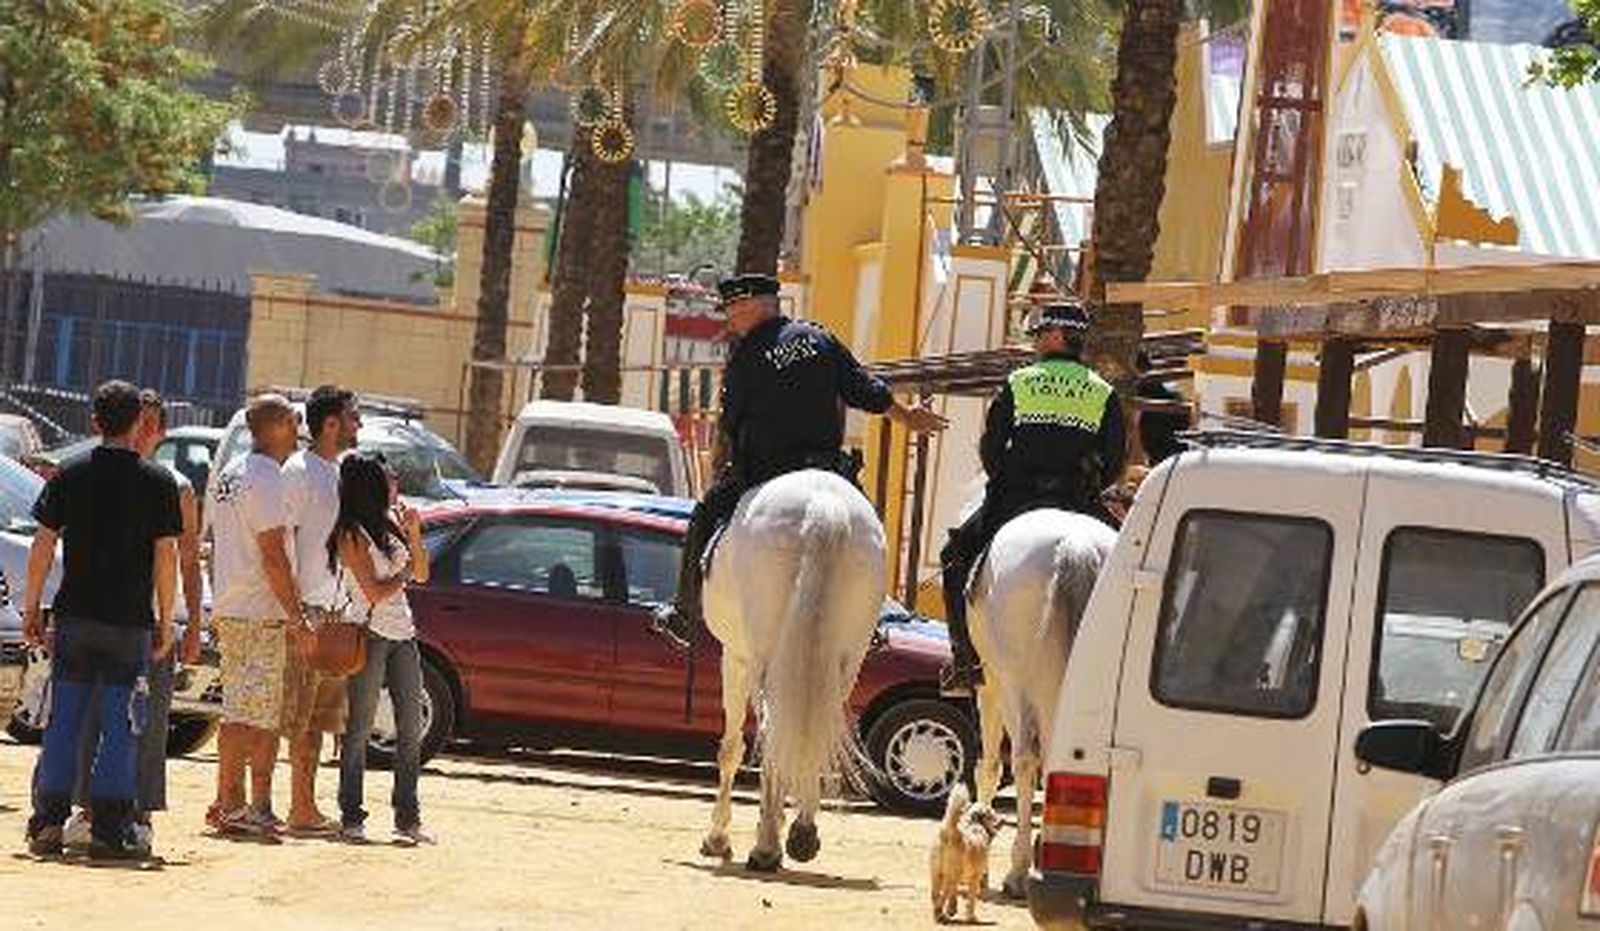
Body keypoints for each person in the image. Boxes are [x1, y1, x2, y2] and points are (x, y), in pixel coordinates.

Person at [652, 273, 948, 645]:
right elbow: (863, 388)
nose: (729, 318)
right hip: (826, 467)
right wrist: (908, 418)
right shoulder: (819, 338)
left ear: (753, 306)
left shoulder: (746, 355)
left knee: (706, 512)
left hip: (766, 470)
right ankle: (871, 619)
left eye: (732, 309)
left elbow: (731, 421)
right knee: (868, 525)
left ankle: (684, 613)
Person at [22, 380, 182, 859]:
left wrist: (32, 607)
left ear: (94, 422)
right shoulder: (158, 483)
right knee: (121, 722)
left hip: (75, 616)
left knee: (63, 717)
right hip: (128, 622)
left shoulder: (69, 475)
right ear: (138, 424)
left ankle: (49, 822)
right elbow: (166, 556)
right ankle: (111, 829)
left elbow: (43, 546)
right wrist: (166, 617)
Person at [938, 301, 1126, 696]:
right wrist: (1087, 485)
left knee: (954, 557)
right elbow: (1114, 461)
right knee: (1127, 570)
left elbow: (991, 446)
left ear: (1057, 336)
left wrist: (1006, 475)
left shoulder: (1019, 382)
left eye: (1040, 334)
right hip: (1077, 500)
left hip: (1015, 498)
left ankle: (966, 663)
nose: (1037, 342)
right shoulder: (1103, 392)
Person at [61, 390, 205, 853]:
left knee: (144, 722)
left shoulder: (175, 486)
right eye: (137, 422)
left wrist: (189, 624)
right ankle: (88, 811)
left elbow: (186, 562)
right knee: (91, 720)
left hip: (148, 622)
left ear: (161, 432)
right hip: (108, 618)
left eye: (151, 424)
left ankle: (138, 812)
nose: (143, 431)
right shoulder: (100, 475)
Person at [207, 394, 309, 836]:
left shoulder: (230, 472)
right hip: (258, 608)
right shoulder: (265, 477)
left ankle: (228, 800)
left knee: (237, 709)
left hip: (232, 603)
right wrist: (296, 614)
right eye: (291, 419)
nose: (298, 426)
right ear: (277, 427)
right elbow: (273, 555)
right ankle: (248, 806)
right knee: (261, 714)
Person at [332, 453, 432, 846]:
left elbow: (422, 572)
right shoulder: (351, 533)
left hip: (403, 633)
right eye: (388, 478)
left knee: (411, 727)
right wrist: (404, 575)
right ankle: (351, 814)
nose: (395, 484)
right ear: (371, 486)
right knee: (359, 728)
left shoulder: (391, 526)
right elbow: (373, 591)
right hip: (370, 633)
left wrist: (416, 534)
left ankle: (408, 817)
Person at [279, 385, 361, 835]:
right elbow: (283, 544)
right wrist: (296, 612)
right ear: (330, 423)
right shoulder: (298, 472)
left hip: (333, 614)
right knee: (297, 718)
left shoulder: (337, 473)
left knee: (321, 721)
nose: (358, 424)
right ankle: (291, 806)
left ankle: (305, 806)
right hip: (306, 611)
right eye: (352, 416)